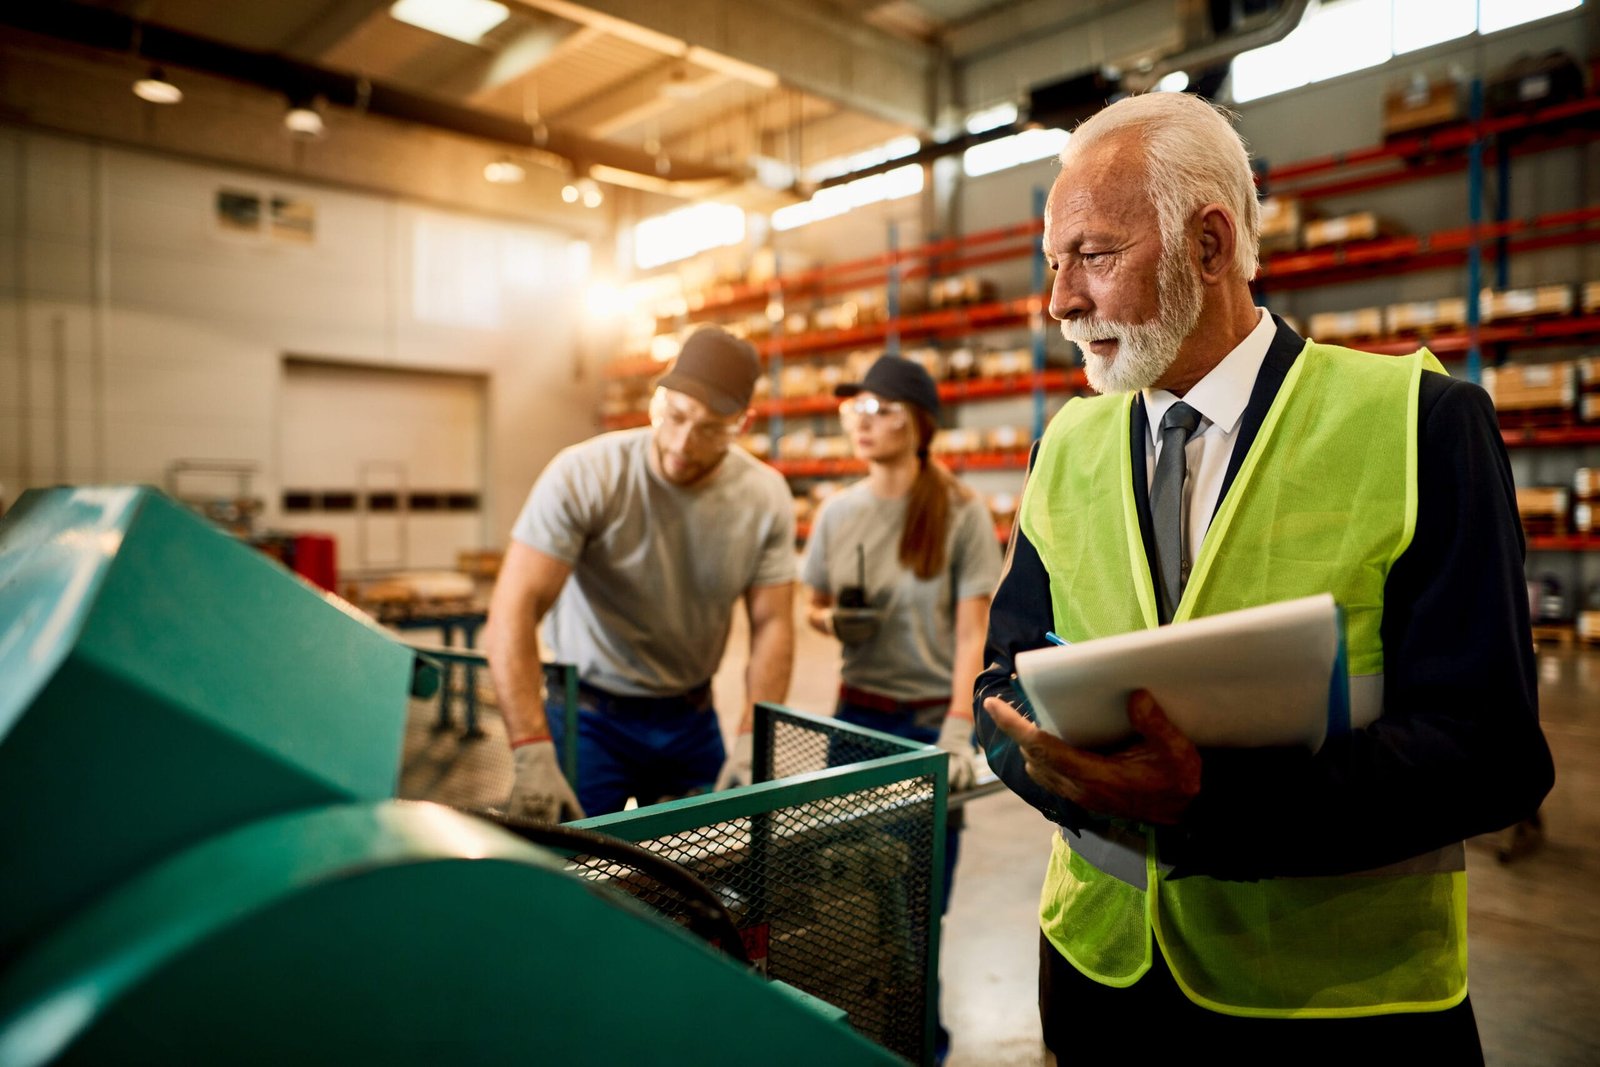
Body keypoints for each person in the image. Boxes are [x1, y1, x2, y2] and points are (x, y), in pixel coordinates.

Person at [973, 91, 1555, 1061]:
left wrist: (1209, 801)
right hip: (1097, 980)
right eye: (1053, 262)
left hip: (1329, 1009)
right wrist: (1062, 772)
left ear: (1209, 246)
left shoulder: (1418, 423)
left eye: (1095, 255)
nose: (1060, 301)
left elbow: (1491, 754)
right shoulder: (1066, 446)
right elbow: (1002, 680)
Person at [485, 325, 796, 822]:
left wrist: (751, 743)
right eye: (674, 416)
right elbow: (513, 609)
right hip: (588, 718)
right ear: (659, 397)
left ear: (743, 423)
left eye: (711, 429)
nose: (682, 443)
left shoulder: (763, 496)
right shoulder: (586, 474)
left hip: (690, 720)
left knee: (707, 876)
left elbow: (773, 624)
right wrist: (531, 749)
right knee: (572, 871)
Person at [803, 354, 1001, 1064]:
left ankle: (921, 1043)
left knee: (919, 903)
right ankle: (853, 1039)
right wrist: (832, 625)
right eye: (857, 406)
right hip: (853, 723)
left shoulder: (960, 512)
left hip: (925, 727)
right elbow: (814, 603)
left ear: (920, 424)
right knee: (848, 905)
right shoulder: (837, 512)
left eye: (883, 409)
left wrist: (957, 725)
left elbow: (972, 630)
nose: (865, 420)